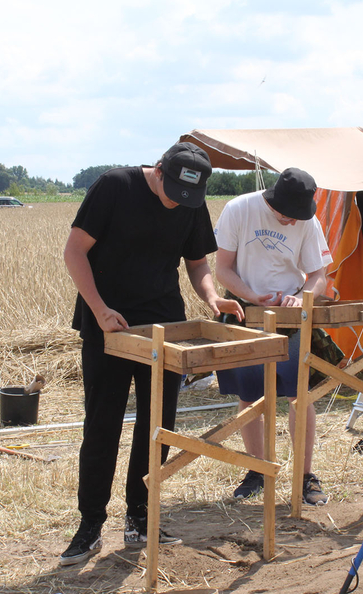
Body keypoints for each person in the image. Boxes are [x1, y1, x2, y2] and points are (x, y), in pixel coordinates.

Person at [60, 142, 244, 566]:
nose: (178, 202)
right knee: (102, 425)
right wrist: (99, 309)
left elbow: (196, 263)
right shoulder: (114, 187)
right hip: (110, 324)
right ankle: (90, 525)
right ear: (159, 170)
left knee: (157, 425)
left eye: (188, 197)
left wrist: (212, 298)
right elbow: (74, 251)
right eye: (173, 192)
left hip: (164, 325)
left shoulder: (189, 200)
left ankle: (141, 516)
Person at [213, 167, 332, 506]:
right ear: (273, 201)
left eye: (298, 216)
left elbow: (319, 276)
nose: (292, 221)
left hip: (291, 316)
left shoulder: (308, 221)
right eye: (287, 215)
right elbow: (222, 269)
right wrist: (250, 296)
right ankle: (258, 470)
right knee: (250, 395)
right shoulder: (239, 209)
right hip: (245, 312)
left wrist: (303, 297)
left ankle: (305, 476)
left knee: (300, 395)